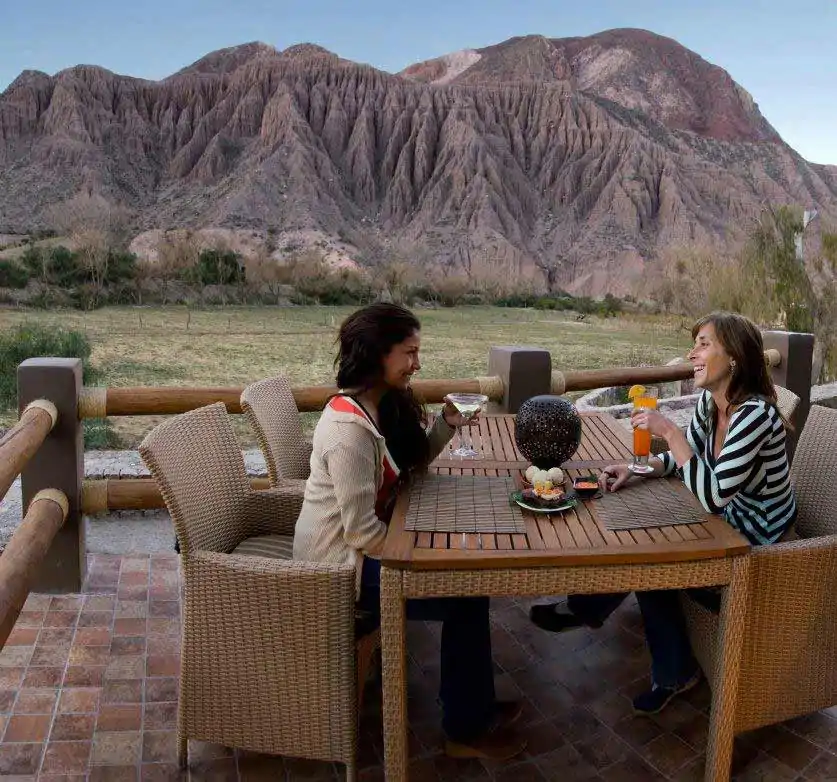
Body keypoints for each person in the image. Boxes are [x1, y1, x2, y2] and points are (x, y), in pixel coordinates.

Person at [529, 311, 797, 714]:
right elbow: (681, 459)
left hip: (757, 546)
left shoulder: (753, 415)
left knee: (654, 549)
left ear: (735, 357)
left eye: (704, 344)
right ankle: (590, 609)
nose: (692, 353)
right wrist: (640, 469)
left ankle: (644, 650)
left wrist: (668, 430)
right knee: (639, 519)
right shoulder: (713, 402)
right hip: (729, 519)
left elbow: (712, 497)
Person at [293, 303, 526, 761]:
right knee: (462, 595)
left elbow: (403, 469)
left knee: (466, 587)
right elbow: (362, 535)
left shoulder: (375, 406)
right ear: (378, 353)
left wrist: (446, 427)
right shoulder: (348, 431)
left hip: (363, 549)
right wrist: (428, 552)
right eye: (410, 352)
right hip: (340, 570)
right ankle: (464, 728)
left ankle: (471, 704)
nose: (417, 364)